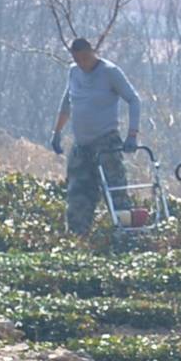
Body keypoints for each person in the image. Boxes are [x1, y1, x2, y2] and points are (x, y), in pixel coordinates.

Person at [51, 37, 144, 236]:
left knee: (115, 190)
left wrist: (132, 134)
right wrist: (57, 131)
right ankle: (78, 236)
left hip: (106, 141)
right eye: (78, 59)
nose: (83, 63)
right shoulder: (74, 72)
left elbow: (134, 100)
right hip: (81, 145)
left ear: (93, 52)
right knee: (78, 192)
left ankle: (126, 234)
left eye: (85, 58)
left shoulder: (110, 72)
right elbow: (67, 102)